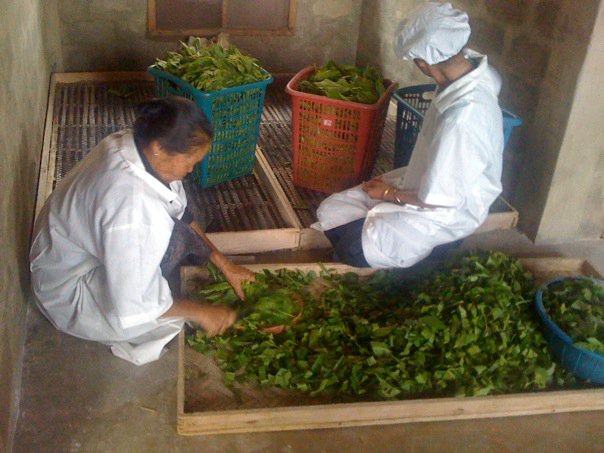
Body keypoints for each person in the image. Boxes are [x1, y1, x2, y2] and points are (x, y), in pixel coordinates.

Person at [30, 96, 255, 365]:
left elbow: (181, 211)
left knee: (174, 240)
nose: (191, 169)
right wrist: (204, 312)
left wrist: (224, 264)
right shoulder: (133, 212)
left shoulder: (131, 145)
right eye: (189, 161)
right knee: (161, 321)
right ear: (159, 148)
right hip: (67, 291)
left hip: (62, 250)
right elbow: (136, 304)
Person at [312, 2, 504, 268]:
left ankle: (436, 251)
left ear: (424, 63)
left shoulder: (462, 120)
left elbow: (440, 199)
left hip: (446, 210)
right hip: (435, 177)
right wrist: (390, 190)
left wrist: (390, 192)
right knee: (332, 209)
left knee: (352, 247)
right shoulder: (471, 69)